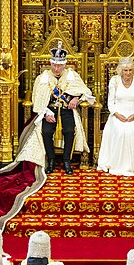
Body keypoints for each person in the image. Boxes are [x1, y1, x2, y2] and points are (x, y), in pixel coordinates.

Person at [31, 43, 96, 175]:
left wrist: (76, 98)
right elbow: (36, 98)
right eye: (54, 65)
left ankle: (67, 160)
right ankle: (51, 160)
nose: (56, 68)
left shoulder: (72, 75)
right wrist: (45, 113)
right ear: (50, 63)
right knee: (47, 132)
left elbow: (86, 92)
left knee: (69, 130)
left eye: (59, 65)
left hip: (67, 110)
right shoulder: (43, 77)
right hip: (49, 110)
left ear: (64, 64)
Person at [98, 58, 134, 177]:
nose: (128, 73)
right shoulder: (114, 81)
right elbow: (110, 102)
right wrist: (117, 114)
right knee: (120, 132)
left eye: (131, 70)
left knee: (132, 131)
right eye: (125, 70)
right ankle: (116, 165)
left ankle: (133, 166)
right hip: (118, 114)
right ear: (121, 70)